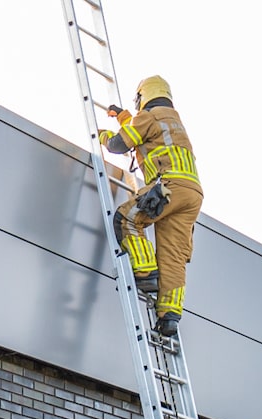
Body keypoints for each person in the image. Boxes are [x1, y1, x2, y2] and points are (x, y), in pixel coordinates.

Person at [100, 75, 202, 339]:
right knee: (173, 255)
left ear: (142, 96)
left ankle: (145, 271)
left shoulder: (150, 116)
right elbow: (143, 134)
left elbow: (120, 144)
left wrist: (102, 136)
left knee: (126, 218)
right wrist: (124, 118)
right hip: (191, 195)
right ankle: (169, 317)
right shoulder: (172, 121)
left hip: (168, 186)